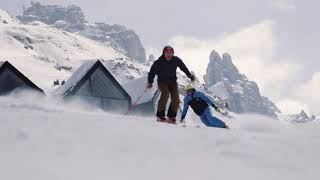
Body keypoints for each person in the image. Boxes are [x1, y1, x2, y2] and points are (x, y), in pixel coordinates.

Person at [147, 45, 195, 123]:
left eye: (170, 53)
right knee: (165, 94)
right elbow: (152, 72)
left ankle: (171, 117)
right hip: (162, 82)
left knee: (176, 99)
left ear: (173, 54)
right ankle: (160, 116)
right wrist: (150, 82)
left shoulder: (176, 60)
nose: (168, 55)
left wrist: (190, 75)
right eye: (167, 53)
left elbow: (183, 67)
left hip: (172, 82)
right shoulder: (159, 62)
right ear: (164, 53)